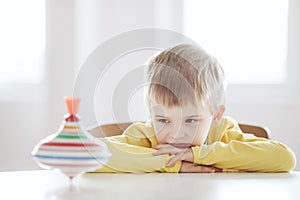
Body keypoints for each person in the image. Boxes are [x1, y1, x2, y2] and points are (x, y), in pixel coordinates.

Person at [94, 44, 296, 173]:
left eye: (190, 120)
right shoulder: (146, 136)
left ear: (216, 115)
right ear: (151, 113)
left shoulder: (222, 133)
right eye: (163, 120)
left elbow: (284, 158)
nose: (176, 136)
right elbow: (90, 153)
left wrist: (198, 155)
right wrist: (173, 164)